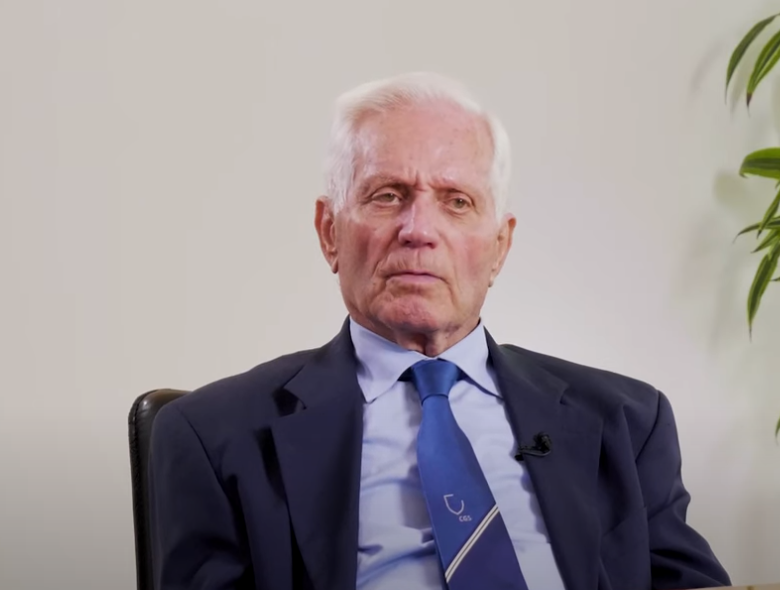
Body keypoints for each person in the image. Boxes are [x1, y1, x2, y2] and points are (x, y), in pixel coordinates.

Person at [148, 72, 731, 590]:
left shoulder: (628, 421)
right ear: (330, 232)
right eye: (387, 196)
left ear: (499, 246)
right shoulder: (211, 436)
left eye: (456, 202)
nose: (419, 230)